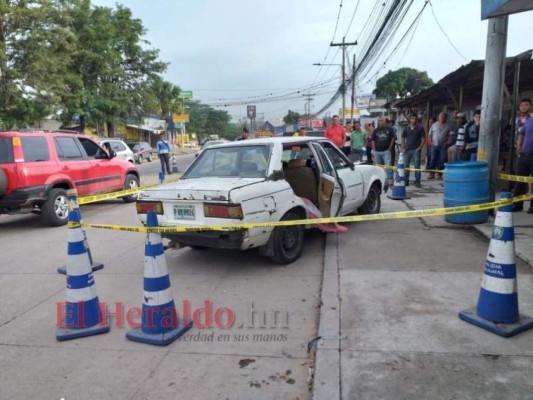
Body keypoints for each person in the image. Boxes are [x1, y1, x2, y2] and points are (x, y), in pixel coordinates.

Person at [512, 110, 533, 213]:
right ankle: (517, 204)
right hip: (524, 155)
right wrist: (519, 145)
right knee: (519, 181)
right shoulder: (529, 120)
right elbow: (521, 132)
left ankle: (532, 207)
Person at [401, 115, 426, 188]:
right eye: (412, 118)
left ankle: (417, 181)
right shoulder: (406, 128)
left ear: (417, 120)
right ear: (410, 119)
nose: (413, 120)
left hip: (416, 150)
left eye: (415, 118)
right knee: (406, 166)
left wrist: (419, 147)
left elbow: (423, 139)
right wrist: (403, 147)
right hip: (407, 150)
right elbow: (402, 137)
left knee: (417, 166)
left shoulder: (420, 128)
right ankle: (406, 181)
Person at [372, 116, 396, 184]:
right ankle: (380, 179)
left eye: (382, 120)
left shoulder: (389, 129)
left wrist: (390, 148)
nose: (381, 121)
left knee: (388, 166)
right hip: (377, 152)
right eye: (379, 120)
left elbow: (393, 138)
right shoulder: (376, 130)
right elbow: (373, 140)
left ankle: (390, 179)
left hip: (386, 151)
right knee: (378, 167)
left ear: (385, 121)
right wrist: (374, 150)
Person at [427, 112, 450, 180]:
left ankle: (439, 175)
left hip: (443, 146)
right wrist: (430, 142)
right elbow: (429, 134)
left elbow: (450, 136)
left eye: (443, 116)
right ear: (438, 117)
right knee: (433, 159)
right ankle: (431, 174)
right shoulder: (434, 124)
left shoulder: (448, 126)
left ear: (446, 118)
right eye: (440, 116)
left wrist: (447, 142)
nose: (442, 118)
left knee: (442, 159)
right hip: (434, 145)